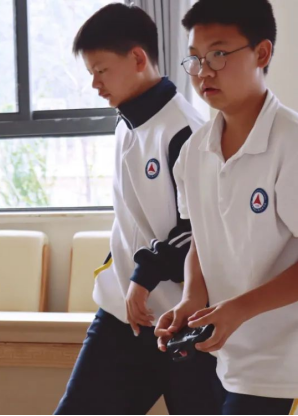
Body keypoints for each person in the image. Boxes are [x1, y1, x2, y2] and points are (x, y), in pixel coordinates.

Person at [55, 3, 223, 415]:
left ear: (137, 58)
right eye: (90, 72)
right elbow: (132, 219)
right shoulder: (125, 124)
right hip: (123, 313)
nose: (94, 83)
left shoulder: (186, 131)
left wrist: (144, 275)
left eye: (101, 70)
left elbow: (199, 230)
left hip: (185, 321)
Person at [156, 1, 298, 414]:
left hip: (284, 364)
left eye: (218, 54)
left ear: (262, 53)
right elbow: (203, 238)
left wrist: (240, 309)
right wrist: (191, 298)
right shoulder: (193, 152)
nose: (204, 72)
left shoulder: (290, 143)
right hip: (227, 358)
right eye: (195, 58)